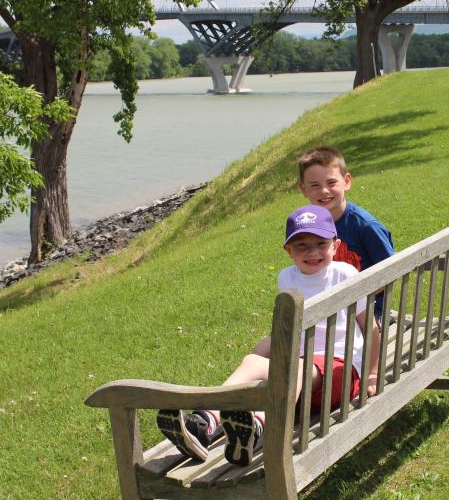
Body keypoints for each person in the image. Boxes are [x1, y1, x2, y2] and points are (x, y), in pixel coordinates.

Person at [157, 204, 381, 466]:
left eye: (321, 243)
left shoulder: (344, 274)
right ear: (288, 250)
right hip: (302, 369)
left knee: (293, 368)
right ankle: (205, 421)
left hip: (339, 372)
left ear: (335, 244)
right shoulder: (287, 278)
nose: (312, 252)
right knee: (256, 357)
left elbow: (371, 328)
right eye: (302, 246)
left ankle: (260, 429)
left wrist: (373, 375)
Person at [297, 146, 395, 317]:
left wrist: (351, 297)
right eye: (314, 185)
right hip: (329, 313)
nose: (324, 191)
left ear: (347, 181)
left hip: (367, 316)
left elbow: (391, 270)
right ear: (304, 189)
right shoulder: (309, 226)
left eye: (331, 182)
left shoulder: (366, 226)